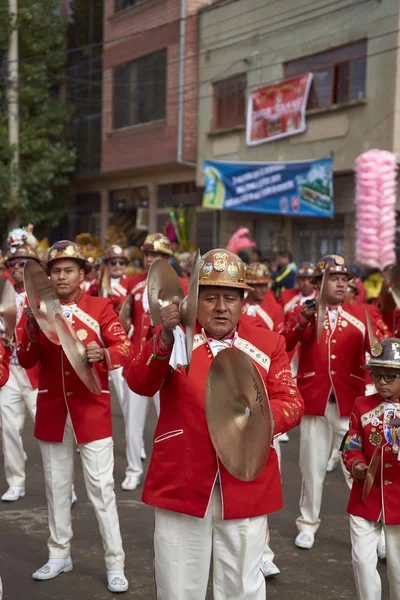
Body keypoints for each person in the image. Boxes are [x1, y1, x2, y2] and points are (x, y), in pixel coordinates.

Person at [125, 248, 304, 600]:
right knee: (177, 587)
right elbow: (139, 382)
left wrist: (258, 419)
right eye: (211, 298)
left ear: (242, 301)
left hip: (247, 479)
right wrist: (162, 337)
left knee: (242, 588)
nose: (222, 307)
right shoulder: (175, 336)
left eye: (230, 298)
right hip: (182, 478)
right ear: (194, 299)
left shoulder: (269, 342)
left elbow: (292, 401)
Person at [17, 240, 133, 593]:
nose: (62, 276)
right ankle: (59, 554)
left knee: (101, 490)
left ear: (82, 274)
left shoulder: (100, 307)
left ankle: (115, 562)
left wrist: (104, 354)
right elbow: (25, 360)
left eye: (69, 270)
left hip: (91, 410)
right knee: (55, 488)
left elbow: (124, 346)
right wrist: (33, 330)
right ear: (48, 276)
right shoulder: (35, 310)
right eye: (56, 271)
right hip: (53, 410)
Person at [285, 254, 389, 550]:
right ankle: (307, 524)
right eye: (335, 278)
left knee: (357, 468)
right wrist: (302, 319)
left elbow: (381, 351)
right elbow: (283, 343)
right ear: (319, 283)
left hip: (351, 404)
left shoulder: (363, 311)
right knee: (311, 466)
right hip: (315, 401)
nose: (342, 284)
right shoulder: (301, 311)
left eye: (345, 279)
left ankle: (375, 526)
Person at [121, 233, 187, 491]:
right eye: (147, 254)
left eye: (156, 255)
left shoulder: (182, 284)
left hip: (169, 365)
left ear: (167, 258)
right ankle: (133, 469)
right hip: (139, 362)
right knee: (132, 422)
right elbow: (123, 320)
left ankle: (175, 470)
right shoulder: (133, 284)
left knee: (171, 422)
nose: (150, 259)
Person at [342, 338, 400, 600]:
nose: (381, 383)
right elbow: (350, 444)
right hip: (366, 497)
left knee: (398, 572)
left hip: (398, 501)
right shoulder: (361, 405)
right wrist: (356, 465)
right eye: (377, 375)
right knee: (363, 564)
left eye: (390, 376)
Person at [0, 242, 40, 502]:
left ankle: (65, 486)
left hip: (37, 371)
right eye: (13, 263)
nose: (17, 267)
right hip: (9, 369)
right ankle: (16, 481)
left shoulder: (42, 295)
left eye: (23, 262)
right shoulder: (1, 293)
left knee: (50, 432)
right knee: (9, 429)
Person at [242, 263, 285, 334]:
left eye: (266, 285)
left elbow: (281, 338)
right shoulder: (237, 307)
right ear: (248, 285)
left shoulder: (276, 310)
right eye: (259, 286)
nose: (264, 290)